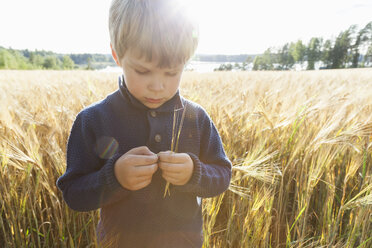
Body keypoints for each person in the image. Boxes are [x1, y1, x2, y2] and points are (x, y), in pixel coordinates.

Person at [56, 0, 232, 247]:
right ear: (117, 55)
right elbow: (74, 194)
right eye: (142, 71)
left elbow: (223, 175)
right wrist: (114, 178)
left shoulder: (196, 118)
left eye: (171, 73)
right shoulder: (93, 120)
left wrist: (195, 172)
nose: (158, 85)